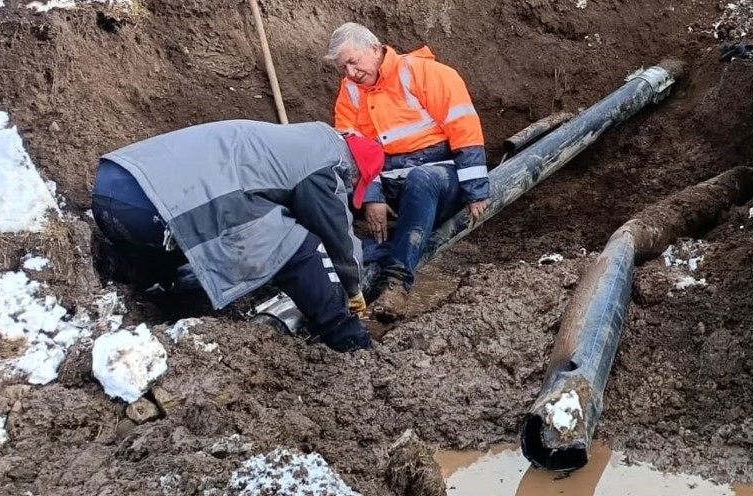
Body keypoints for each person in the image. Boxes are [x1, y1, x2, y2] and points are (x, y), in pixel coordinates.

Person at [91, 119, 384, 352]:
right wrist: (351, 286)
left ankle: (147, 288)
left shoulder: (287, 141)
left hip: (113, 189)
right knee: (297, 247)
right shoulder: (330, 162)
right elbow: (335, 233)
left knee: (218, 233)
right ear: (355, 174)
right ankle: (346, 338)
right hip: (156, 211)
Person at [326, 22, 489, 322]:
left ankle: (397, 282)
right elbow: (352, 150)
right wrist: (372, 196)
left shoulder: (425, 73)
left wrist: (475, 189)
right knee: (327, 187)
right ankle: (340, 271)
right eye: (342, 68)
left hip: (439, 175)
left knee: (421, 181)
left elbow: (464, 127)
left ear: (374, 49)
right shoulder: (350, 91)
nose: (349, 73)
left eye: (353, 62)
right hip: (388, 180)